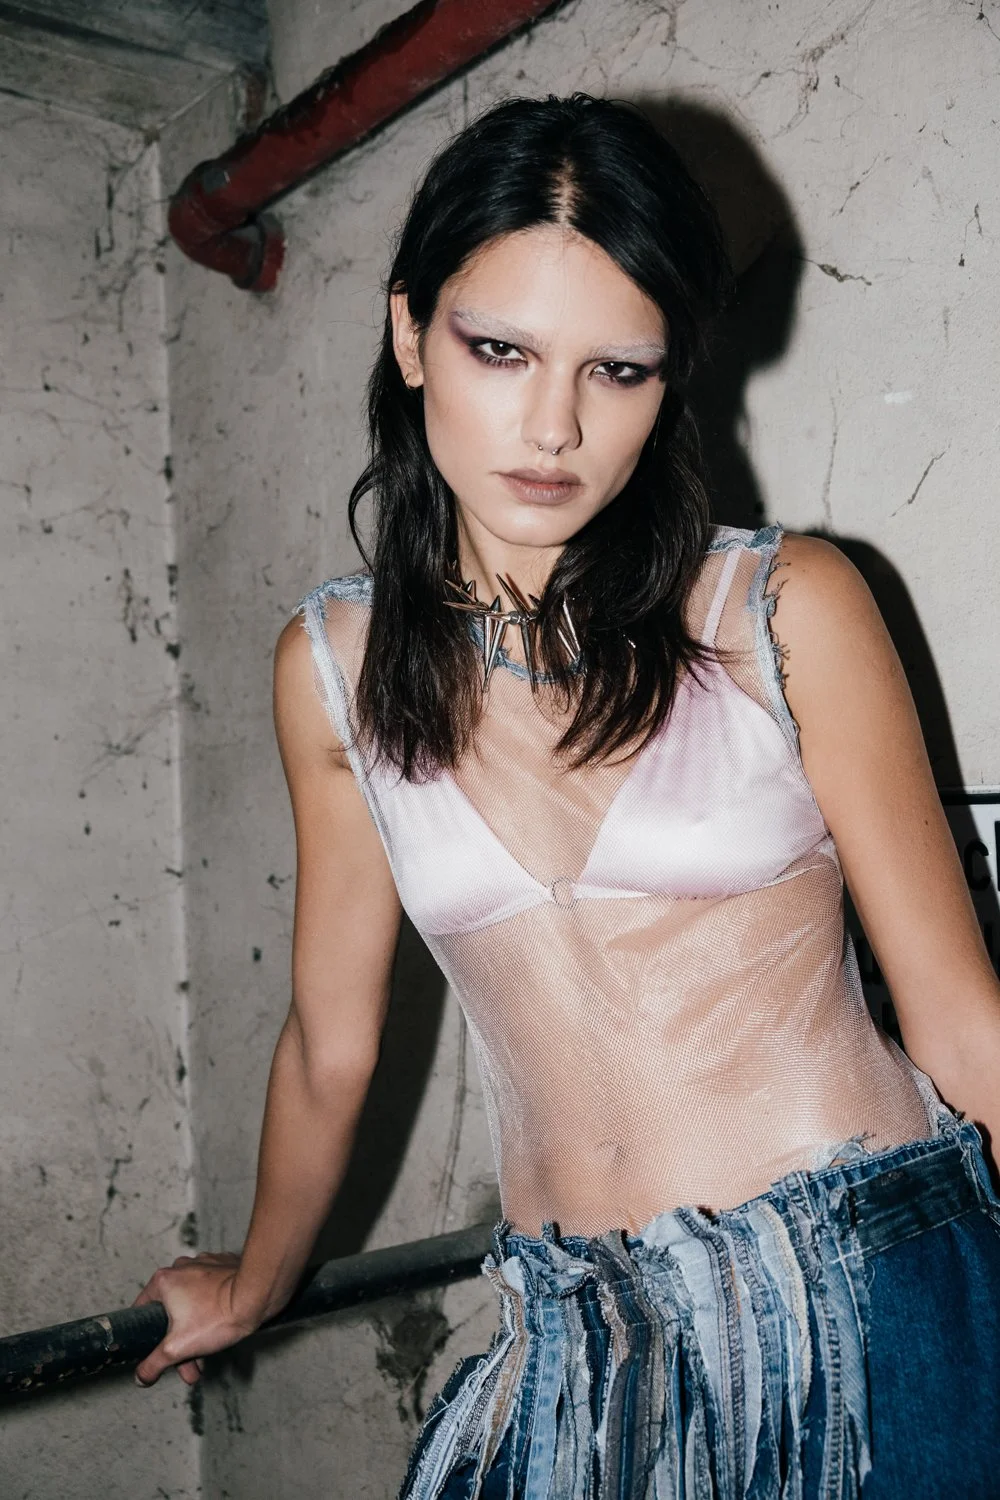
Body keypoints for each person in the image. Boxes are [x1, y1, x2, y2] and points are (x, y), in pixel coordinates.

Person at [133, 94, 1000, 1497]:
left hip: (870, 1284)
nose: (553, 425)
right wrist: (260, 1278)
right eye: (501, 350)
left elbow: (962, 1018)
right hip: (582, 1336)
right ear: (412, 333)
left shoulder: (785, 608)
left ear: (673, 380)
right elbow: (329, 1045)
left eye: (620, 370)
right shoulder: (333, 670)